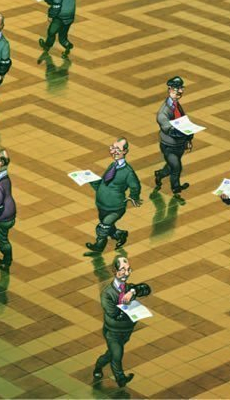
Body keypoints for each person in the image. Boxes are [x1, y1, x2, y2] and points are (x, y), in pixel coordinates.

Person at [92, 255, 152, 388]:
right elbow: (113, 314)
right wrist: (131, 310)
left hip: (126, 330)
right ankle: (121, 379)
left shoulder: (129, 288)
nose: (126, 273)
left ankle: (98, 366)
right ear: (114, 271)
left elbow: (146, 289)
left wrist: (133, 291)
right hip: (113, 331)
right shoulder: (107, 293)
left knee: (110, 354)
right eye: (123, 270)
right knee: (117, 354)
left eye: (128, 269)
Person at [85, 138, 142, 253]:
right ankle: (120, 234)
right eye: (113, 148)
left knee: (104, 226)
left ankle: (99, 246)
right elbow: (104, 183)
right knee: (109, 226)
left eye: (118, 149)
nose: (114, 152)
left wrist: (134, 197)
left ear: (125, 151)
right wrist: (91, 179)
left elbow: (135, 186)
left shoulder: (128, 172)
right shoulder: (112, 165)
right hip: (102, 205)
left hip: (115, 207)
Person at [154, 76, 193, 197]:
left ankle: (159, 174)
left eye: (181, 88)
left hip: (180, 144)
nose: (180, 91)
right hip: (169, 145)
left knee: (171, 166)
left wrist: (188, 138)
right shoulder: (163, 112)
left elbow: (183, 121)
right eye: (177, 89)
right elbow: (170, 130)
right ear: (170, 89)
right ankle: (176, 189)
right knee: (176, 167)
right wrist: (185, 132)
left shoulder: (176, 105)